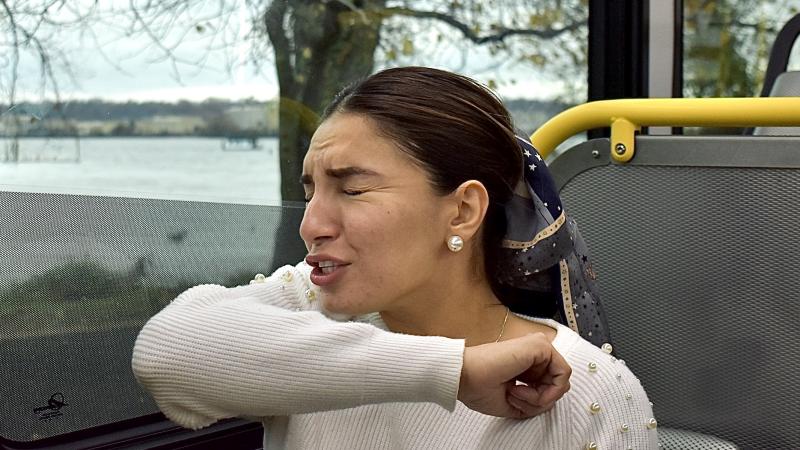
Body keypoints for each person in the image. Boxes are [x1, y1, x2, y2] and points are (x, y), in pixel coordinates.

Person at [132, 66, 657, 449]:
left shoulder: (580, 389)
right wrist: (452, 371)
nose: (311, 224)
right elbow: (164, 352)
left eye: (353, 190)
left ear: (461, 212)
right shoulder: (310, 307)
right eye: (311, 190)